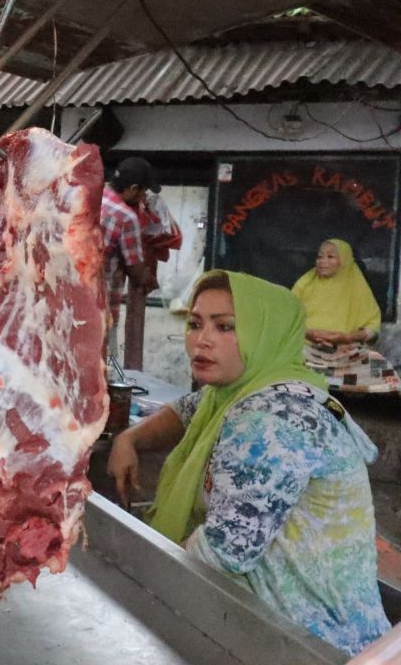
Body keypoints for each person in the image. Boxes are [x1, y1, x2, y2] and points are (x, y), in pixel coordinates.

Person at [107, 271, 389, 655]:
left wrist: (127, 577)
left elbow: (223, 553)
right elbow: (186, 411)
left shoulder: (273, 418)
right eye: (195, 324)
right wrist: (130, 439)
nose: (202, 340)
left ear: (267, 333)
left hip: (310, 642)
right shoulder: (246, 389)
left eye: (226, 327)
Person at [291, 238, 397, 392]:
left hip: (344, 353)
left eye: (330, 257)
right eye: (319, 257)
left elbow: (373, 329)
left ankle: (321, 380)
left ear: (344, 261)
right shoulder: (304, 284)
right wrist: (308, 333)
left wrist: (347, 338)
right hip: (307, 348)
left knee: (378, 366)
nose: (322, 262)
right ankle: (324, 381)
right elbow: (286, 318)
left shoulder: (356, 286)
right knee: (285, 357)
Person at [101, 157, 158, 342]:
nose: (143, 198)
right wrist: (148, 278)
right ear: (133, 189)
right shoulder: (125, 217)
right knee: (104, 365)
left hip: (69, 305)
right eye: (143, 192)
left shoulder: (90, 195)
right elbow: (136, 272)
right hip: (101, 310)